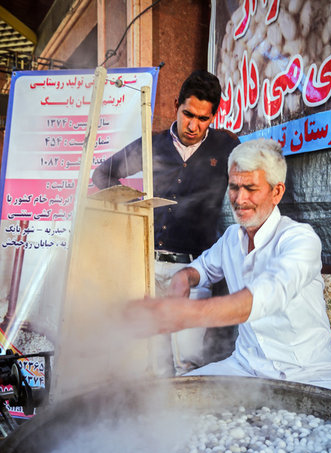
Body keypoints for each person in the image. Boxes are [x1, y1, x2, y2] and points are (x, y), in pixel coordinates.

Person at [126, 138, 331, 401]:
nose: (239, 199)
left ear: (277, 192)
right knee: (170, 402)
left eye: (251, 188)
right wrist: (182, 279)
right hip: (244, 368)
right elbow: (201, 268)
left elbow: (267, 295)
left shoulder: (300, 239)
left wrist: (185, 314)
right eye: (233, 187)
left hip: (309, 374)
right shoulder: (232, 238)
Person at [93, 70, 239, 375]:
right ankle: (149, 419)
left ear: (214, 116)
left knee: (188, 359)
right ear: (177, 105)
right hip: (144, 266)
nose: (193, 125)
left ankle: (185, 420)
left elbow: (249, 182)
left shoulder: (225, 148)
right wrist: (133, 209)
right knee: (145, 356)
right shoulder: (153, 143)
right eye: (188, 114)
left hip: (193, 269)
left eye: (203, 118)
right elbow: (102, 174)